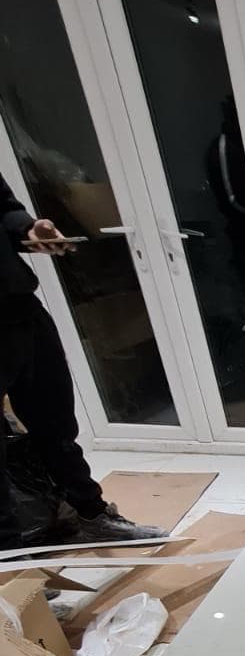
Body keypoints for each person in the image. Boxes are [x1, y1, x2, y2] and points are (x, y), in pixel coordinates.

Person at [1, 172, 165, 551]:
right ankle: (16, 576)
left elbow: (4, 209)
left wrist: (28, 228)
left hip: (17, 306)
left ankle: (90, 514)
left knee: (56, 425)